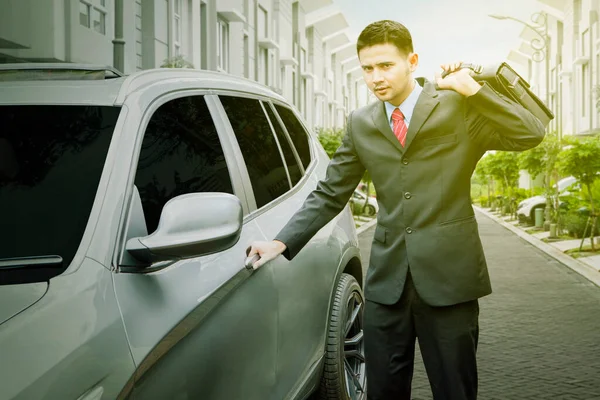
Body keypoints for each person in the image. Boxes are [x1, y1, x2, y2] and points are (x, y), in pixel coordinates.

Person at [246, 20, 545, 400]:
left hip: (450, 280)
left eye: (385, 65)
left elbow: (530, 132)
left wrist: (474, 89)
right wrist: (281, 242)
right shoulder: (360, 123)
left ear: (412, 61)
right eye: (367, 68)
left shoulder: (457, 105)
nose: (375, 77)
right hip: (387, 285)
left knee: (455, 391)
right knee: (383, 392)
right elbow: (330, 192)